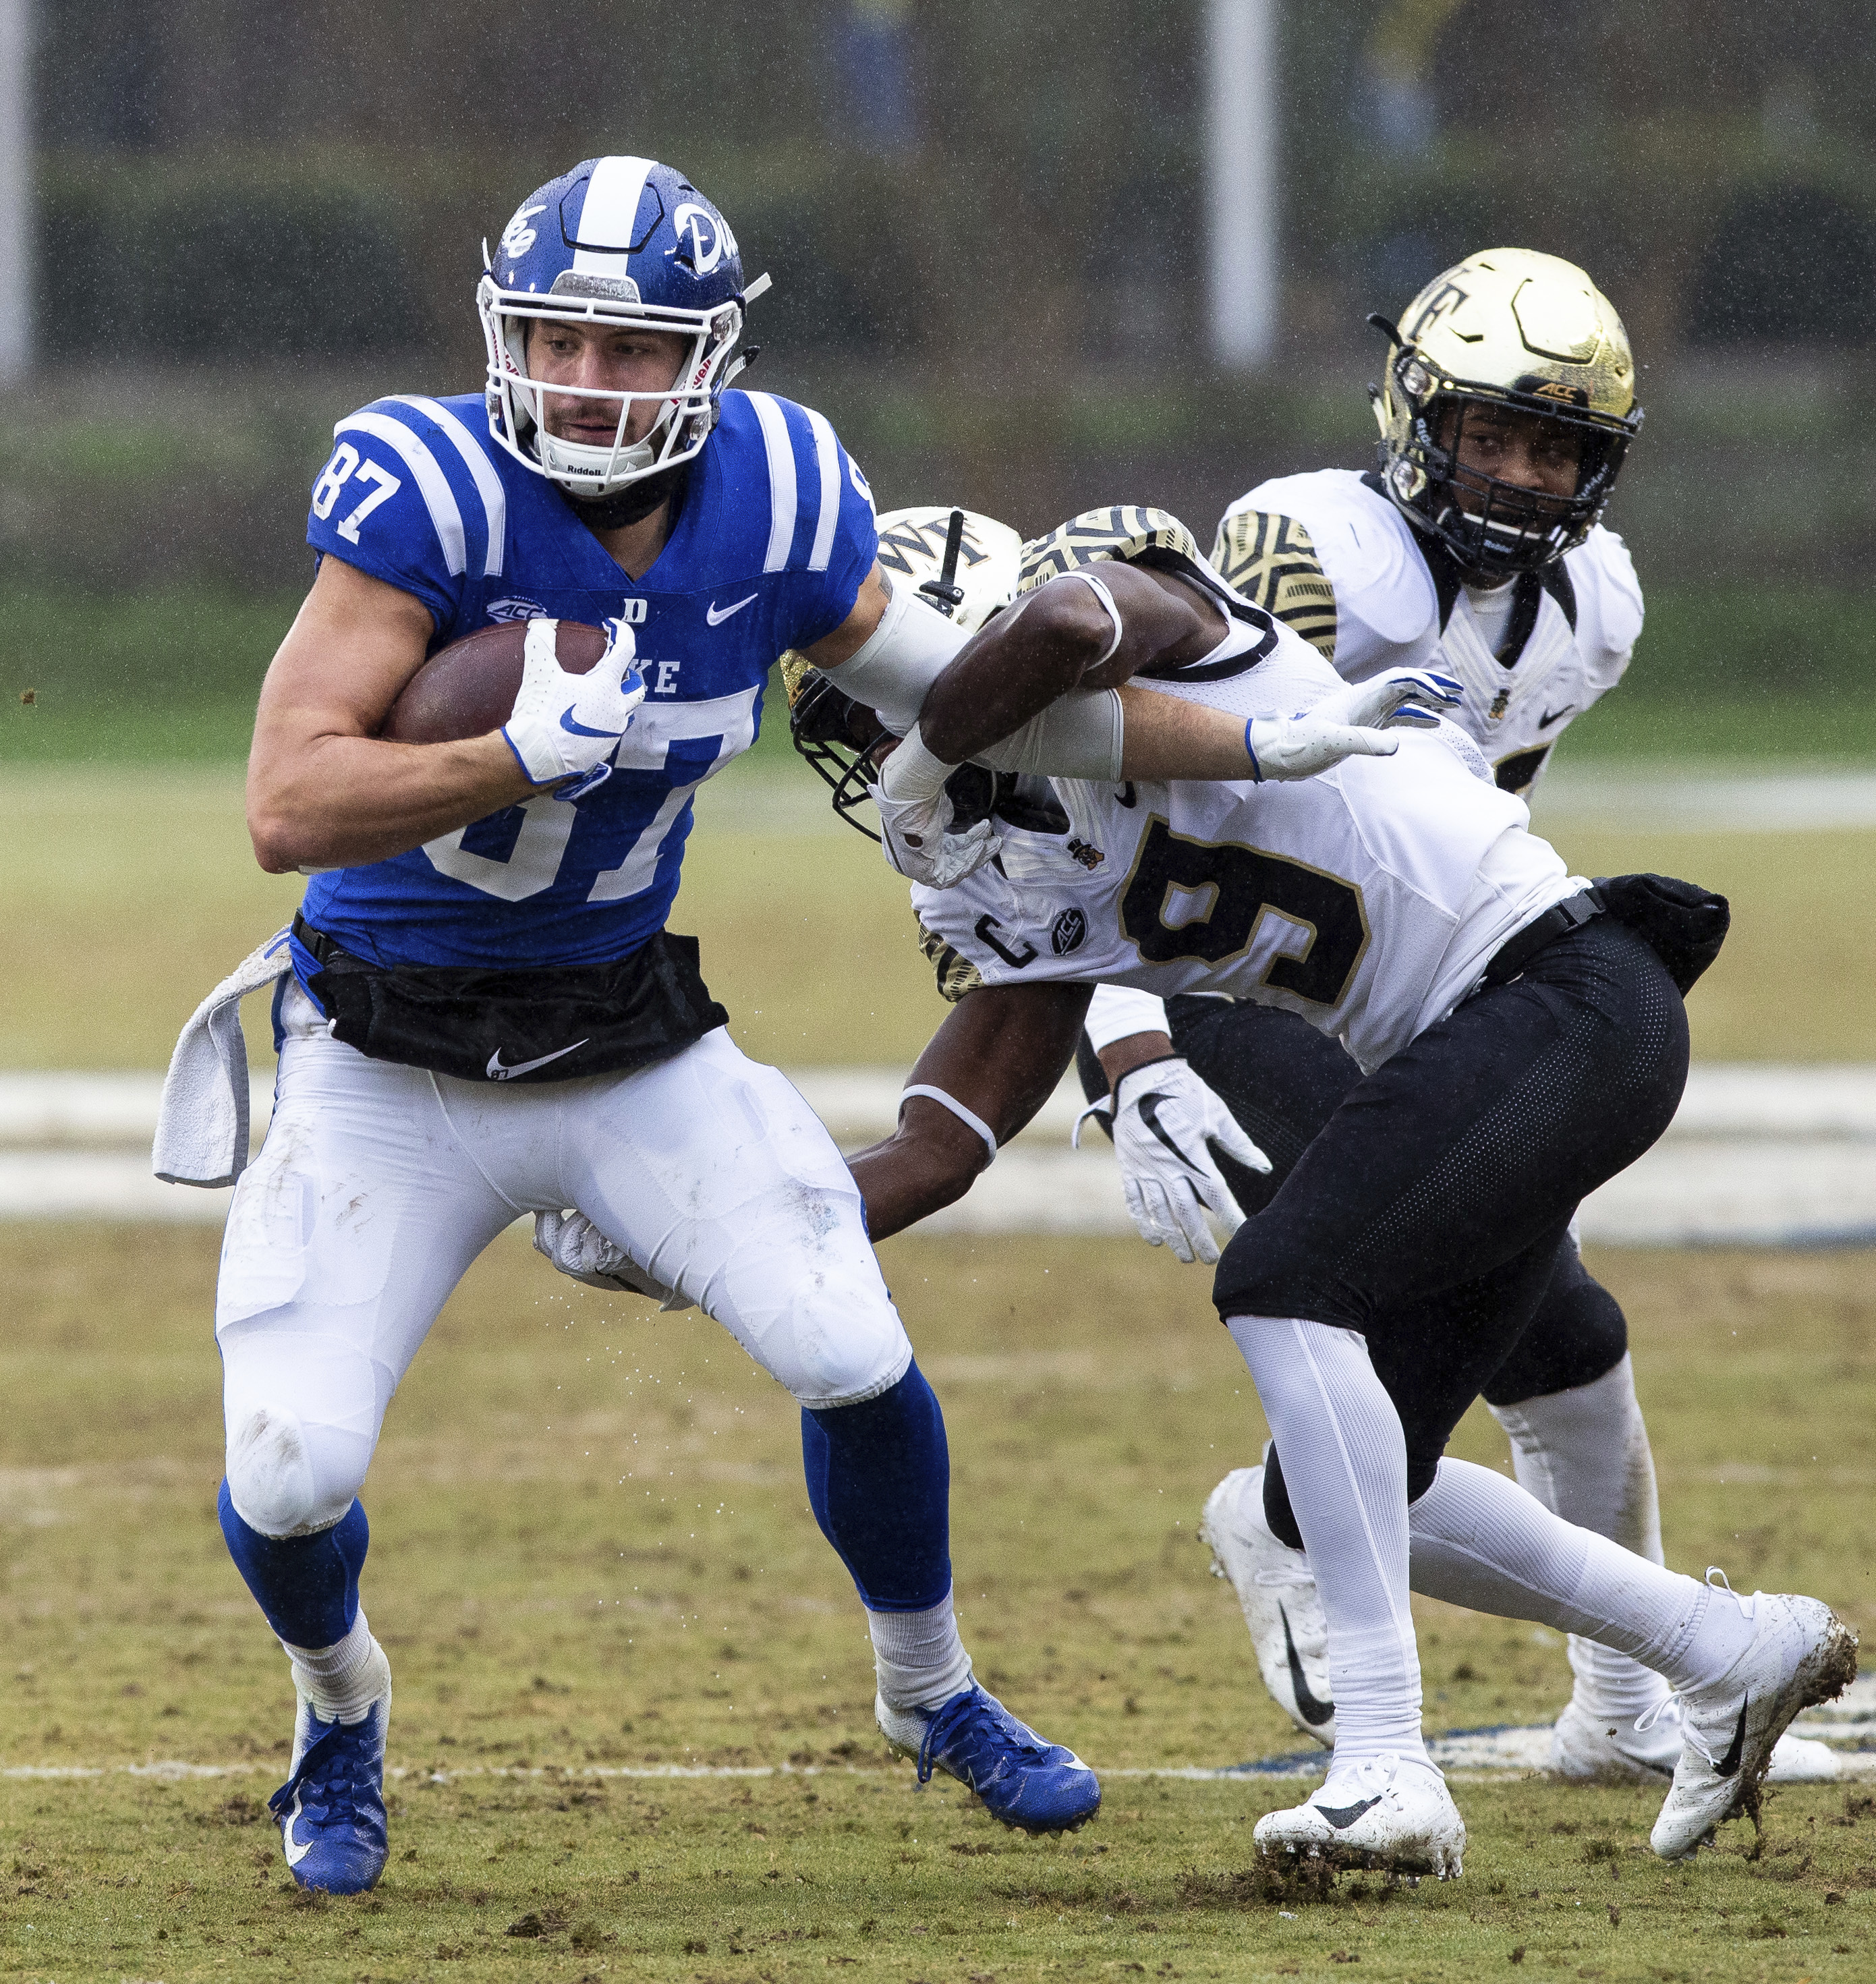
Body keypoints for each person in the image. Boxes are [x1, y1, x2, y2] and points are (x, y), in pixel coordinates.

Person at [168, 162, 1417, 1896]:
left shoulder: (772, 491)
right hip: (387, 1056)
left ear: (706, 356)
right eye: (553, 337)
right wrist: (507, 754)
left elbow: (988, 708)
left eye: (627, 345)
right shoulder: (426, 491)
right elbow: (285, 803)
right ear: (500, 333)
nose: (586, 379)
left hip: (629, 1042)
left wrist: (1262, 744)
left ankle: (933, 1692)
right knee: (291, 1471)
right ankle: (338, 1708)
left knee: (848, 1347)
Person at [751, 503, 1855, 1875]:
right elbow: (942, 1140)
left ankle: (1384, 1763)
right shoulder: (982, 875)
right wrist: (730, 1236)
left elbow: (1065, 625)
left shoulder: (1156, 630)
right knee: (1349, 1485)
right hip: (1495, 1043)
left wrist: (931, 737)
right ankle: (1727, 1647)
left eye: (875, 707)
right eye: (849, 730)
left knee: (1278, 1282)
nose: (869, 755)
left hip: (1565, 991)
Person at [1058, 247, 1832, 1785]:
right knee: (1352, 1339)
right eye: (1491, 434)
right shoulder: (1310, 551)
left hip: (1412, 988)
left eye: (1556, 447)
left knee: (1571, 1342)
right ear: (1415, 415)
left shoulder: (1587, 604)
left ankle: (1618, 1718)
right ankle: (1299, 1554)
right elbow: (1115, 814)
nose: (1520, 474)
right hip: (1246, 993)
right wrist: (1126, 1048)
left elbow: (1474, 819)